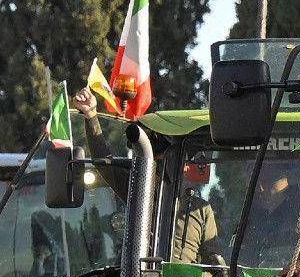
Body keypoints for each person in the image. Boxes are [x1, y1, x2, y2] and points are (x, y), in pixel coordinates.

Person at [73, 87, 222, 266]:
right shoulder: (139, 196)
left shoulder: (200, 210)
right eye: (155, 167)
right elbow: (104, 163)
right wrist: (91, 117)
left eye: (165, 165)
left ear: (183, 168)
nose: (160, 173)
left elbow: (213, 260)